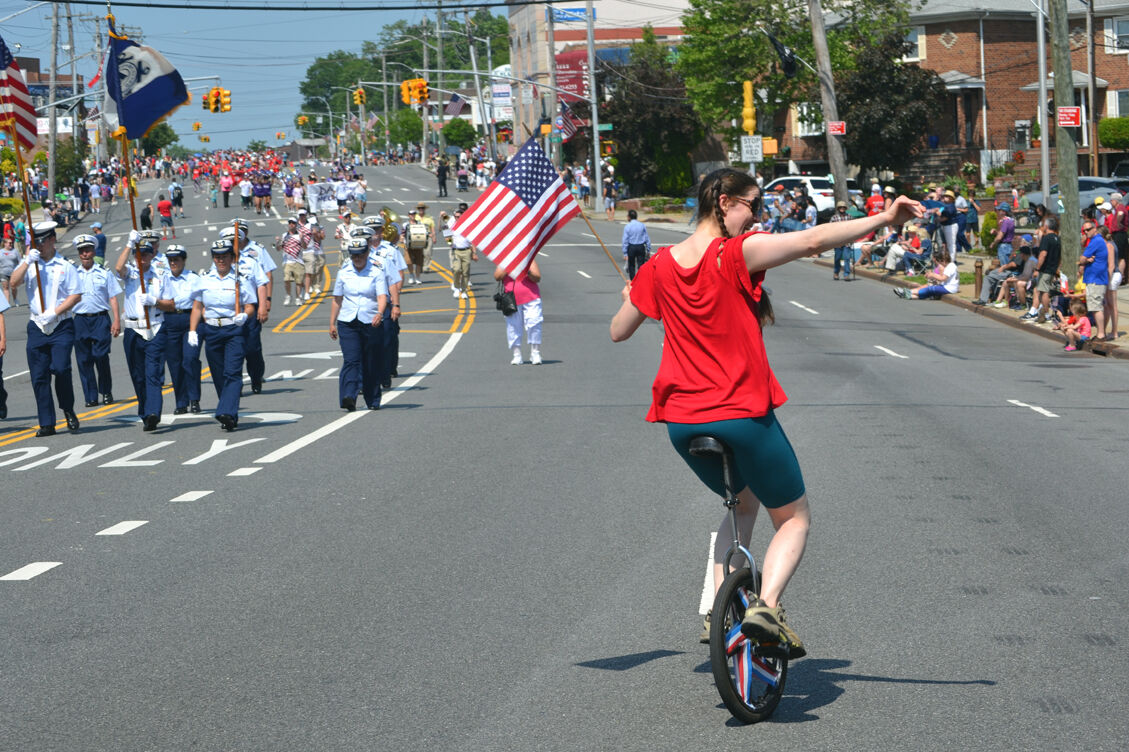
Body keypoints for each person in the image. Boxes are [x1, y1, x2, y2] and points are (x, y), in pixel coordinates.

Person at [610, 167, 921, 653]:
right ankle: (766, 608)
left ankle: (717, 611)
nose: (757, 217)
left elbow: (618, 330)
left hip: (682, 421)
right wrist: (884, 218)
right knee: (794, 518)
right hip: (740, 413)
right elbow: (813, 240)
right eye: (753, 205)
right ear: (725, 202)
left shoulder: (659, 265)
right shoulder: (735, 252)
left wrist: (633, 294)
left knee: (742, 503)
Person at [9, 222, 83, 436]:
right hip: (37, 325)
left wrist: (55, 312)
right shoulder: (30, 264)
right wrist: (26, 261)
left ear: (52, 240)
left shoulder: (65, 265)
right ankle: (47, 423)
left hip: (60, 324)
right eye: (35, 242)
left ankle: (67, 408)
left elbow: (75, 295)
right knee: (39, 375)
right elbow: (13, 283)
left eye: (42, 241)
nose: (39, 246)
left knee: (61, 369)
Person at [189, 239, 257, 431]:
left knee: (232, 373)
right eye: (217, 257)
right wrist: (192, 330)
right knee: (218, 375)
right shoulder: (204, 280)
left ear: (232, 258)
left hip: (233, 330)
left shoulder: (240, 280)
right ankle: (229, 413)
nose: (221, 260)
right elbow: (197, 307)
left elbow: (250, 306)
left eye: (224, 256)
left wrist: (245, 315)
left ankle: (226, 411)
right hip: (211, 330)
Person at [115, 233, 174, 431]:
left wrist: (155, 301)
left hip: (155, 327)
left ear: (152, 255)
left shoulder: (160, 276)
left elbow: (171, 304)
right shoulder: (131, 274)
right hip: (133, 330)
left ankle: (153, 413)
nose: (142, 258)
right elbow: (118, 268)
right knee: (138, 375)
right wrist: (128, 243)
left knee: (153, 373)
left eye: (146, 254)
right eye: (138, 254)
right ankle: (145, 412)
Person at [329, 237, 389, 411]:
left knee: (371, 361)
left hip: (371, 321)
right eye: (354, 255)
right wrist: (332, 323)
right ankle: (349, 396)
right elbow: (337, 299)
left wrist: (379, 313)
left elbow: (382, 296)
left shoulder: (376, 272)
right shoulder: (344, 272)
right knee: (351, 359)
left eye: (360, 255)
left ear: (367, 253)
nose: (357, 258)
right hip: (348, 322)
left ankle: (373, 399)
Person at [72, 234, 121, 407]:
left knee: (101, 356)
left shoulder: (104, 273)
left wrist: (116, 320)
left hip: (100, 319)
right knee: (84, 359)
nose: (85, 254)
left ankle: (106, 391)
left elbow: (113, 297)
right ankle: (91, 396)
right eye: (81, 251)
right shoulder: (73, 274)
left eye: (87, 250)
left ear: (93, 251)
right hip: (80, 320)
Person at [161, 244, 202, 414]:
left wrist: (194, 328)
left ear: (184, 260)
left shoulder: (193, 278)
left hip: (189, 319)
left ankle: (194, 399)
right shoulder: (162, 278)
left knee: (190, 359)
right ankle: (181, 402)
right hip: (170, 320)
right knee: (174, 363)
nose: (173, 263)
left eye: (176, 259)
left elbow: (199, 303)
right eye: (170, 260)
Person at [495, 259, 544, 365]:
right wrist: (510, 265)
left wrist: (526, 270)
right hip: (512, 300)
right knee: (513, 327)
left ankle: (535, 353)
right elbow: (497, 276)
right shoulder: (505, 259)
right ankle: (516, 355)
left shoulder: (529, 259)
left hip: (532, 297)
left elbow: (537, 278)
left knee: (534, 323)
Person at [1079, 219, 1110, 341]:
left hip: (1095, 279)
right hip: (1095, 278)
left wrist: (1085, 260)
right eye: (1084, 230)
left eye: (1088, 229)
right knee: (1096, 306)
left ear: (1094, 229)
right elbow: (1084, 259)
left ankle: (1101, 334)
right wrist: (1087, 259)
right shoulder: (1096, 241)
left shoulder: (1096, 241)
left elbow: (1082, 259)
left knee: (1096, 307)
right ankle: (1101, 333)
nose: (1086, 232)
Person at [894, 248, 959, 300]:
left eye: (940, 262)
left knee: (930, 289)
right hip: (946, 286)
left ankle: (909, 292)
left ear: (944, 261)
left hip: (949, 288)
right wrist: (932, 275)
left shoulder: (950, 267)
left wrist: (933, 275)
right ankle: (910, 295)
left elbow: (943, 278)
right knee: (928, 291)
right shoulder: (950, 266)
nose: (940, 264)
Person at [277, 217, 307, 305]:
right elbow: (278, 249)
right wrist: (279, 241)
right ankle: (288, 295)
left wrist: (302, 239)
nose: (291, 225)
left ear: (296, 224)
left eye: (293, 223)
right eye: (290, 223)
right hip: (287, 261)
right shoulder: (284, 235)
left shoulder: (299, 235)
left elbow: (305, 247)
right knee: (286, 280)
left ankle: (298, 298)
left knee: (298, 282)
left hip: (298, 261)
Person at [449, 210, 477, 300]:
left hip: (466, 251)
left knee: (465, 272)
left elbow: (472, 241)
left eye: (459, 216)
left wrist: (474, 253)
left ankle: (464, 291)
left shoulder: (467, 226)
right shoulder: (452, 226)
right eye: (456, 217)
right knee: (456, 270)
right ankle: (457, 288)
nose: (457, 218)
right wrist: (450, 243)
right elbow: (447, 237)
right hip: (456, 251)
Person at [621, 209, 651, 281]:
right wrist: (648, 249)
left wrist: (625, 253)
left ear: (629, 217)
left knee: (631, 265)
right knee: (641, 265)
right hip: (641, 246)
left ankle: (633, 280)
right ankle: (640, 280)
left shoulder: (628, 226)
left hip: (631, 246)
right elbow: (646, 237)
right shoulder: (642, 225)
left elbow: (625, 240)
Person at [829, 200, 854, 280]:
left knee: (847, 258)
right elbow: (830, 229)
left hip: (847, 241)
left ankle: (846, 274)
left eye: (843, 207)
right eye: (840, 207)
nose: (842, 209)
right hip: (837, 241)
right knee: (837, 258)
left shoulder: (849, 217)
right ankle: (836, 272)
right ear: (838, 208)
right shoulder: (834, 218)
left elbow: (853, 228)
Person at [416, 203, 437, 273]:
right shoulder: (415, 217)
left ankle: (426, 267)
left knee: (427, 253)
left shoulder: (429, 217)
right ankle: (420, 266)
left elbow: (432, 228)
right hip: (418, 237)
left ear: (424, 209)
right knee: (419, 253)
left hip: (428, 237)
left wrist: (434, 237)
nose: (421, 209)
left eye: (422, 208)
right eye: (419, 208)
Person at [0, 235, 18, 307]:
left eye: (11, 243)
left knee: (13, 287)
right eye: (9, 243)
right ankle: (7, 303)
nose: (11, 244)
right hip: (3, 272)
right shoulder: (1, 252)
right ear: (5, 244)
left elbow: (20, 262)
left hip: (14, 272)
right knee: (5, 288)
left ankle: (15, 298)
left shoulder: (15, 251)